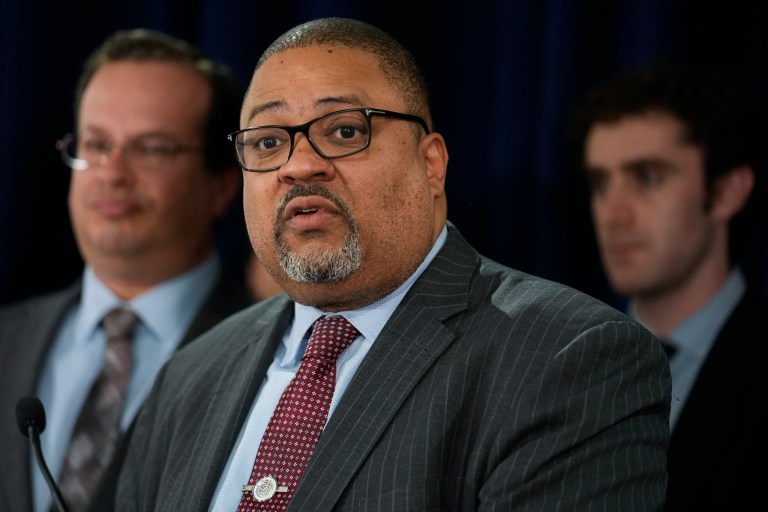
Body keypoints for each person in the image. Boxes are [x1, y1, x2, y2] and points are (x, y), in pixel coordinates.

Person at [117, 18, 671, 511]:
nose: (299, 165)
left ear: (431, 164)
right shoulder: (190, 379)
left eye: (344, 131)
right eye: (266, 143)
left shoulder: (567, 358)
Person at [0, 28, 253, 512]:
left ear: (222, 184)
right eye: (96, 144)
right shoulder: (6, 339)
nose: (112, 171)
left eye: (153, 148)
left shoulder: (277, 359)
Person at [569, 62, 768, 510]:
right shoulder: (559, 361)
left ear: (726, 192)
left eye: (647, 177)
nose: (612, 214)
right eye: (601, 182)